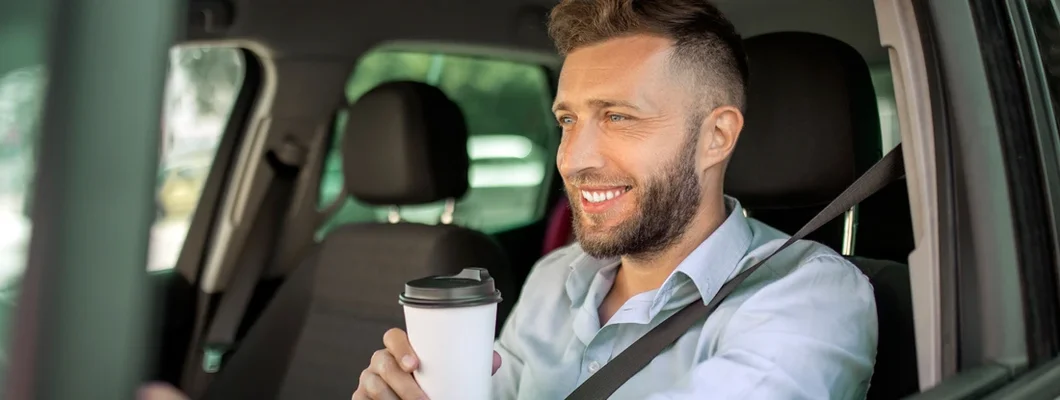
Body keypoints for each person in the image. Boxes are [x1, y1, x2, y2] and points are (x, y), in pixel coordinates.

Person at [353, 0, 878, 398]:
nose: (574, 159)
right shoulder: (553, 278)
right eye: (567, 120)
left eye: (618, 117)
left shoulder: (808, 295)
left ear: (715, 137)